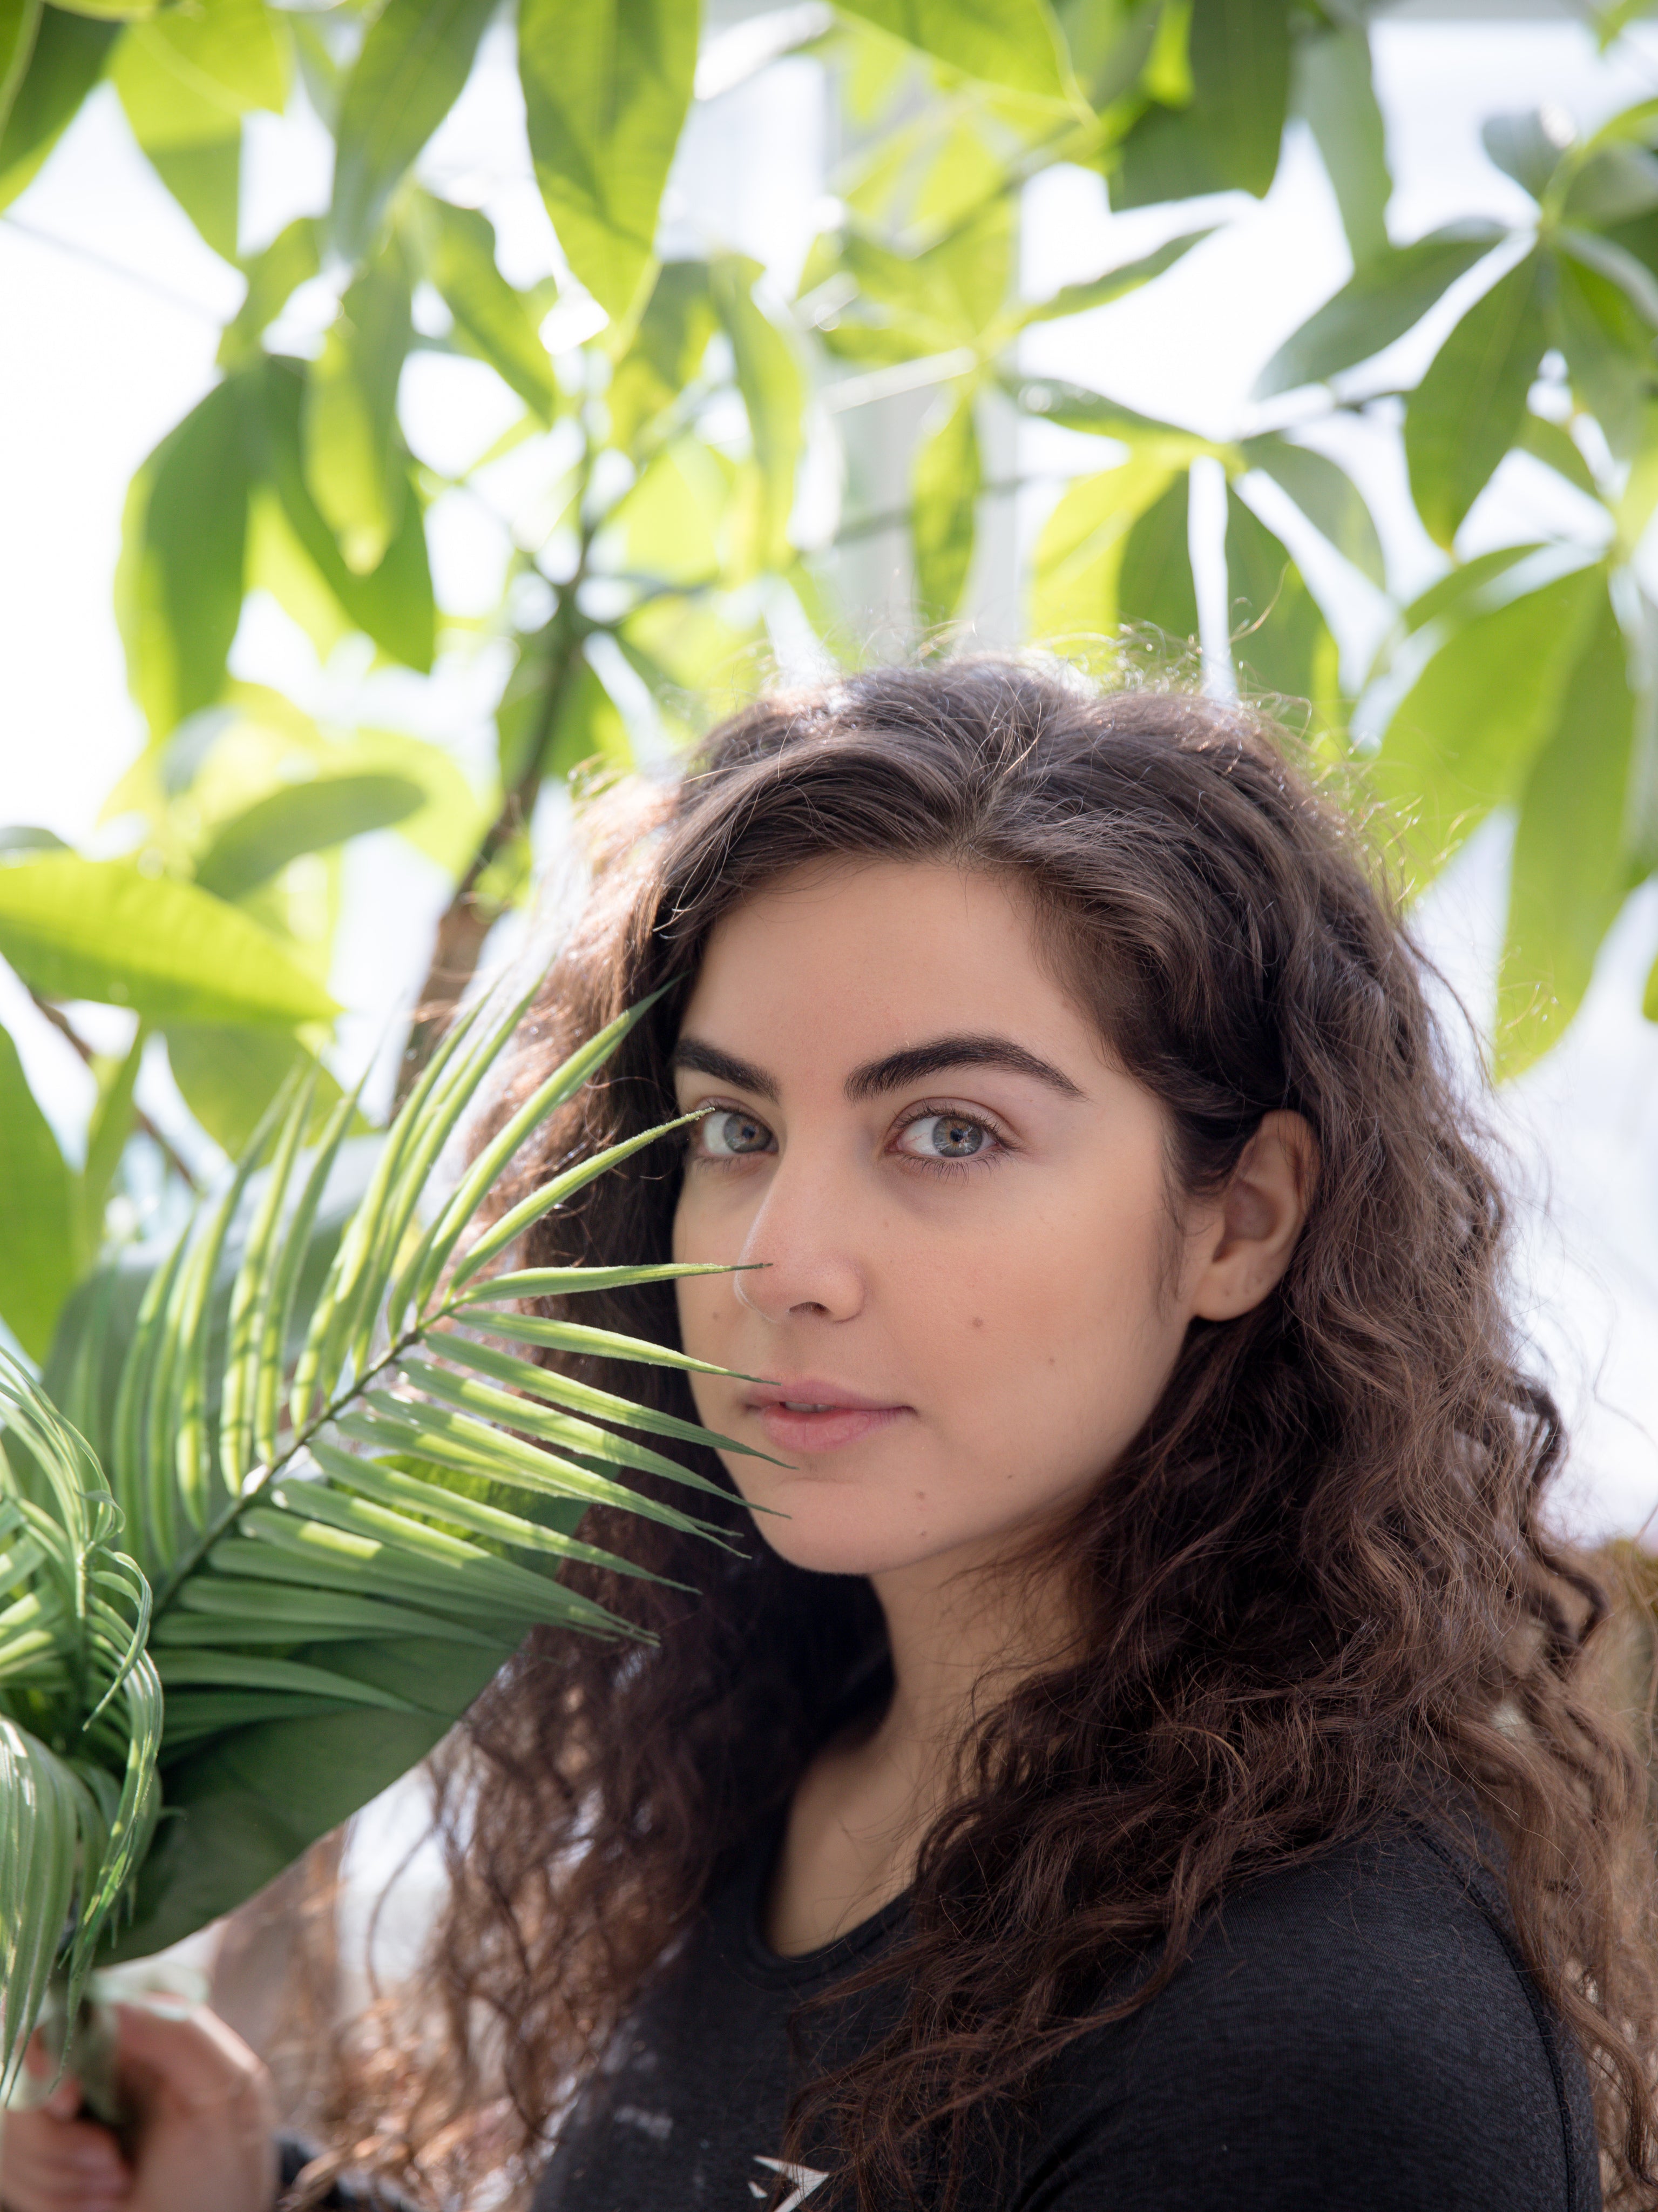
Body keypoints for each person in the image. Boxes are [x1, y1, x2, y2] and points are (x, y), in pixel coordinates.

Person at [4, 660, 1654, 2212]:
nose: (775, 1260)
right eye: (734, 1127)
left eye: (948, 1130)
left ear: (1243, 1219)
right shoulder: (802, 1745)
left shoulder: (1317, 2044)